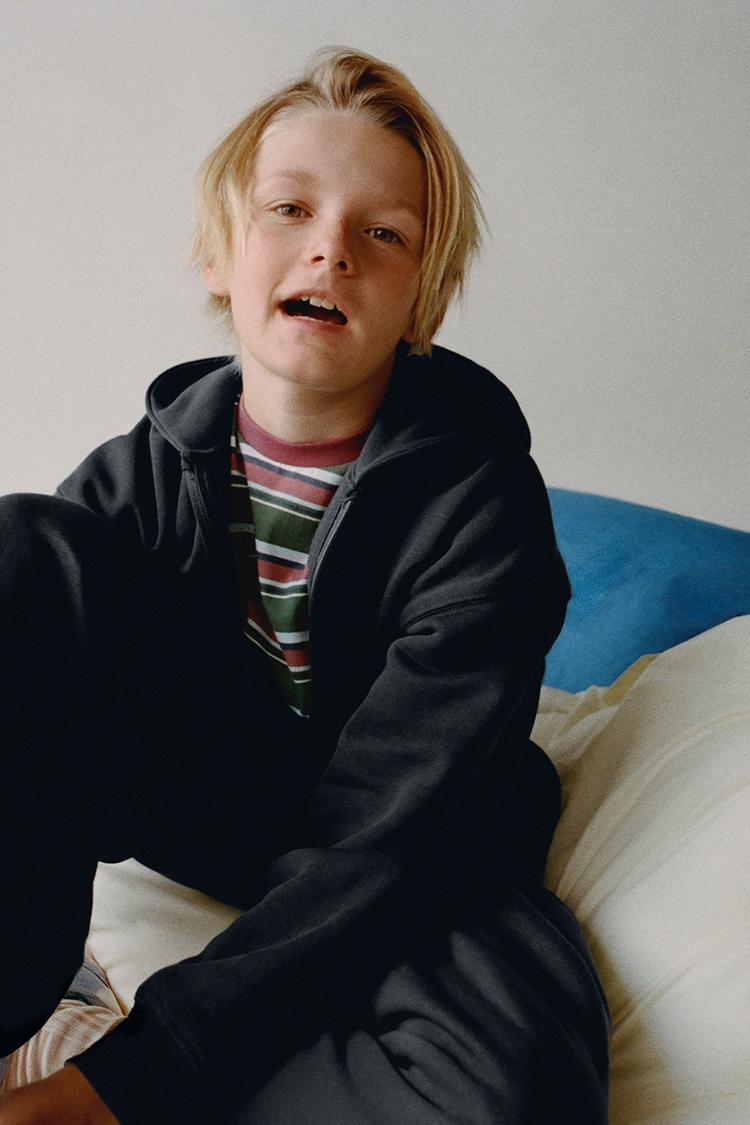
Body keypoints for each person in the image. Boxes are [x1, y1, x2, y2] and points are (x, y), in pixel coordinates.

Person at [0, 48, 610, 1124]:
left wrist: (131, 1077)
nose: (332, 249)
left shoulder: (482, 504)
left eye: (385, 233)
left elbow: (398, 834)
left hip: (408, 841)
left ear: (422, 298)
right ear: (218, 256)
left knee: (520, 1082)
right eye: (290, 209)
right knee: (23, 548)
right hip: (203, 799)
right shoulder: (134, 481)